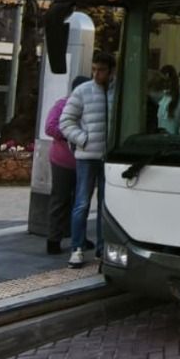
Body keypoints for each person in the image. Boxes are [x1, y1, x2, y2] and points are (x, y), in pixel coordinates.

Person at [60, 51, 115, 268]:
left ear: (111, 71)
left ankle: (102, 248)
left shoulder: (117, 91)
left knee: (105, 205)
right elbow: (66, 121)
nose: (96, 74)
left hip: (108, 157)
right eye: (93, 69)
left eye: (101, 70)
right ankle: (77, 248)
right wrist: (83, 139)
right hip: (87, 156)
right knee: (82, 203)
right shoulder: (83, 91)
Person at [41, 76, 86, 256]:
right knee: (60, 199)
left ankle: (77, 237)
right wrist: (71, 134)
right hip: (62, 161)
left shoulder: (89, 108)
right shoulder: (62, 105)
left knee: (80, 201)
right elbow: (50, 127)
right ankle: (54, 239)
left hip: (83, 161)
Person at [152, 65, 180, 134]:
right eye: (163, 81)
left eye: (168, 81)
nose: (166, 84)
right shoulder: (159, 95)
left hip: (174, 139)